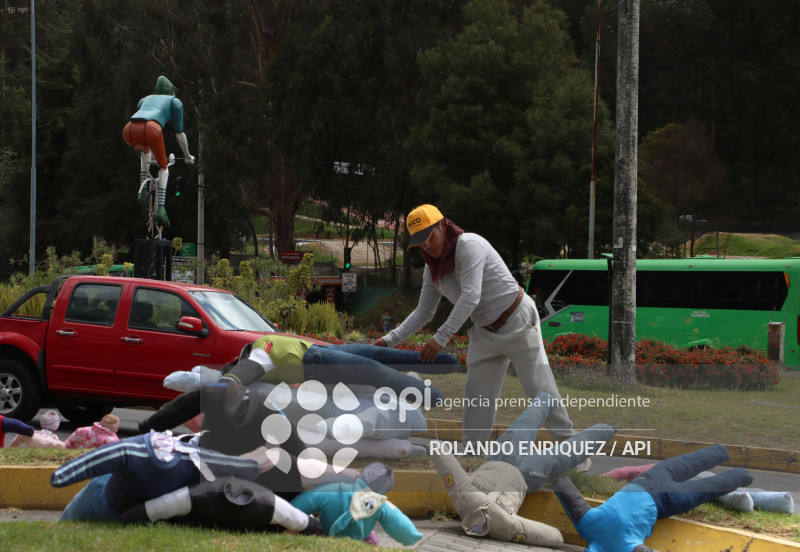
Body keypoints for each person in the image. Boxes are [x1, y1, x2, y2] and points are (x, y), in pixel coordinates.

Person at [373, 204, 574, 445]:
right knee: (477, 395)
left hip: (517, 320)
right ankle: (473, 451)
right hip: (484, 331)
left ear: (443, 226)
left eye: (429, 236)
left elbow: (471, 296)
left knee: (540, 389)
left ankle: (573, 449)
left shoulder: (469, 245)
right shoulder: (431, 269)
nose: (426, 245)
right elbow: (424, 311)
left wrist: (441, 338)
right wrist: (389, 340)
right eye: (420, 242)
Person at [430, 391, 616, 546]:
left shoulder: (504, 525)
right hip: (505, 460)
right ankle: (548, 399)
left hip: (526, 474)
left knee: (565, 453)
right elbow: (445, 462)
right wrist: (435, 447)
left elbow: (552, 536)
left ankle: (607, 429)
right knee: (528, 423)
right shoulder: (466, 500)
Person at [553, 444, 754, 552]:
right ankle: (720, 451)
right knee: (685, 463)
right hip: (645, 481)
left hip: (667, 500)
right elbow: (569, 495)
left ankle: (743, 475)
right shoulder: (586, 524)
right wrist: (555, 475)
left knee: (708, 488)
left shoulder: (625, 547)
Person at [219, 334, 460, 406]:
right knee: (374, 370)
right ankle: (431, 397)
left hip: (322, 349)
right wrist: (227, 383)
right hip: (316, 361)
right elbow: (243, 373)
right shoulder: (257, 357)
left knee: (381, 355)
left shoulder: (259, 347)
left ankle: (448, 363)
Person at [122, 75, 195, 227]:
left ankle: (142, 189)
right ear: (171, 91)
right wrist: (187, 156)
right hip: (151, 129)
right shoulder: (174, 101)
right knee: (163, 167)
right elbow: (179, 134)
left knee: (145, 150)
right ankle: (161, 208)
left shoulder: (144, 99)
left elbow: (142, 115)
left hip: (129, 130)